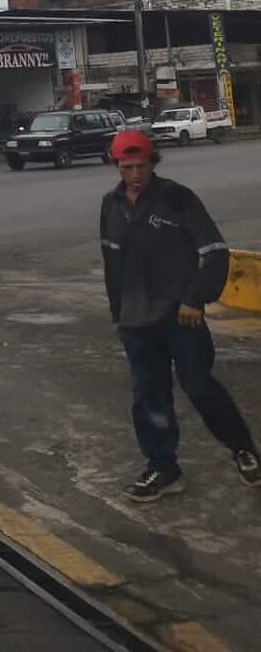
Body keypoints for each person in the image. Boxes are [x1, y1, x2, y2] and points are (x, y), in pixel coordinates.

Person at [100, 129, 260, 500]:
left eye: (141, 166)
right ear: (116, 166)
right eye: (127, 167)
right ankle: (163, 468)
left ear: (153, 162)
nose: (135, 174)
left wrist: (194, 298)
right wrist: (116, 314)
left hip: (180, 315)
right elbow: (113, 264)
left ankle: (243, 449)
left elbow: (215, 252)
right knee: (148, 395)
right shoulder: (111, 205)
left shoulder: (177, 198)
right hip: (136, 319)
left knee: (198, 385)